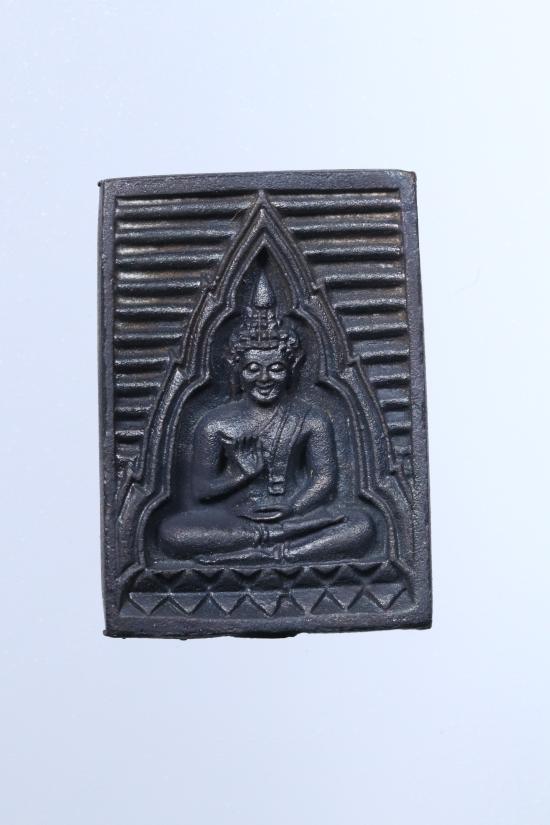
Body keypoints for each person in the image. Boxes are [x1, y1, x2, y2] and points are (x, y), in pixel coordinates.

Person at [159, 272, 374, 564]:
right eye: (252, 368)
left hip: (295, 516)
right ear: (237, 370)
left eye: (276, 368)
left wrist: (293, 507)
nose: (264, 378)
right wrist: (241, 475)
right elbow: (202, 490)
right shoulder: (215, 423)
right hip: (234, 519)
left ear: (291, 370)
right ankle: (276, 546)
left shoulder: (311, 419)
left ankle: (267, 550)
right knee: (172, 531)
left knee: (361, 525)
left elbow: (325, 478)